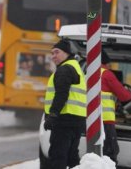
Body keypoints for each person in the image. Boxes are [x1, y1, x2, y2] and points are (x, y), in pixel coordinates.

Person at [43, 39, 87, 169]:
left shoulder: (64, 69)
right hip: (76, 120)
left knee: (58, 156)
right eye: (52, 53)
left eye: (57, 52)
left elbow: (61, 94)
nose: (53, 56)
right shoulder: (75, 67)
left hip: (64, 120)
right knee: (71, 156)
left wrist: (52, 115)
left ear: (67, 53)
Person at [100, 50, 131, 164]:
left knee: (99, 150)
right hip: (106, 119)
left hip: (89, 119)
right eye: (109, 64)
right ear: (106, 63)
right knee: (111, 150)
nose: (110, 67)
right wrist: (130, 93)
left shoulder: (88, 73)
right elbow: (124, 96)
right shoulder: (106, 74)